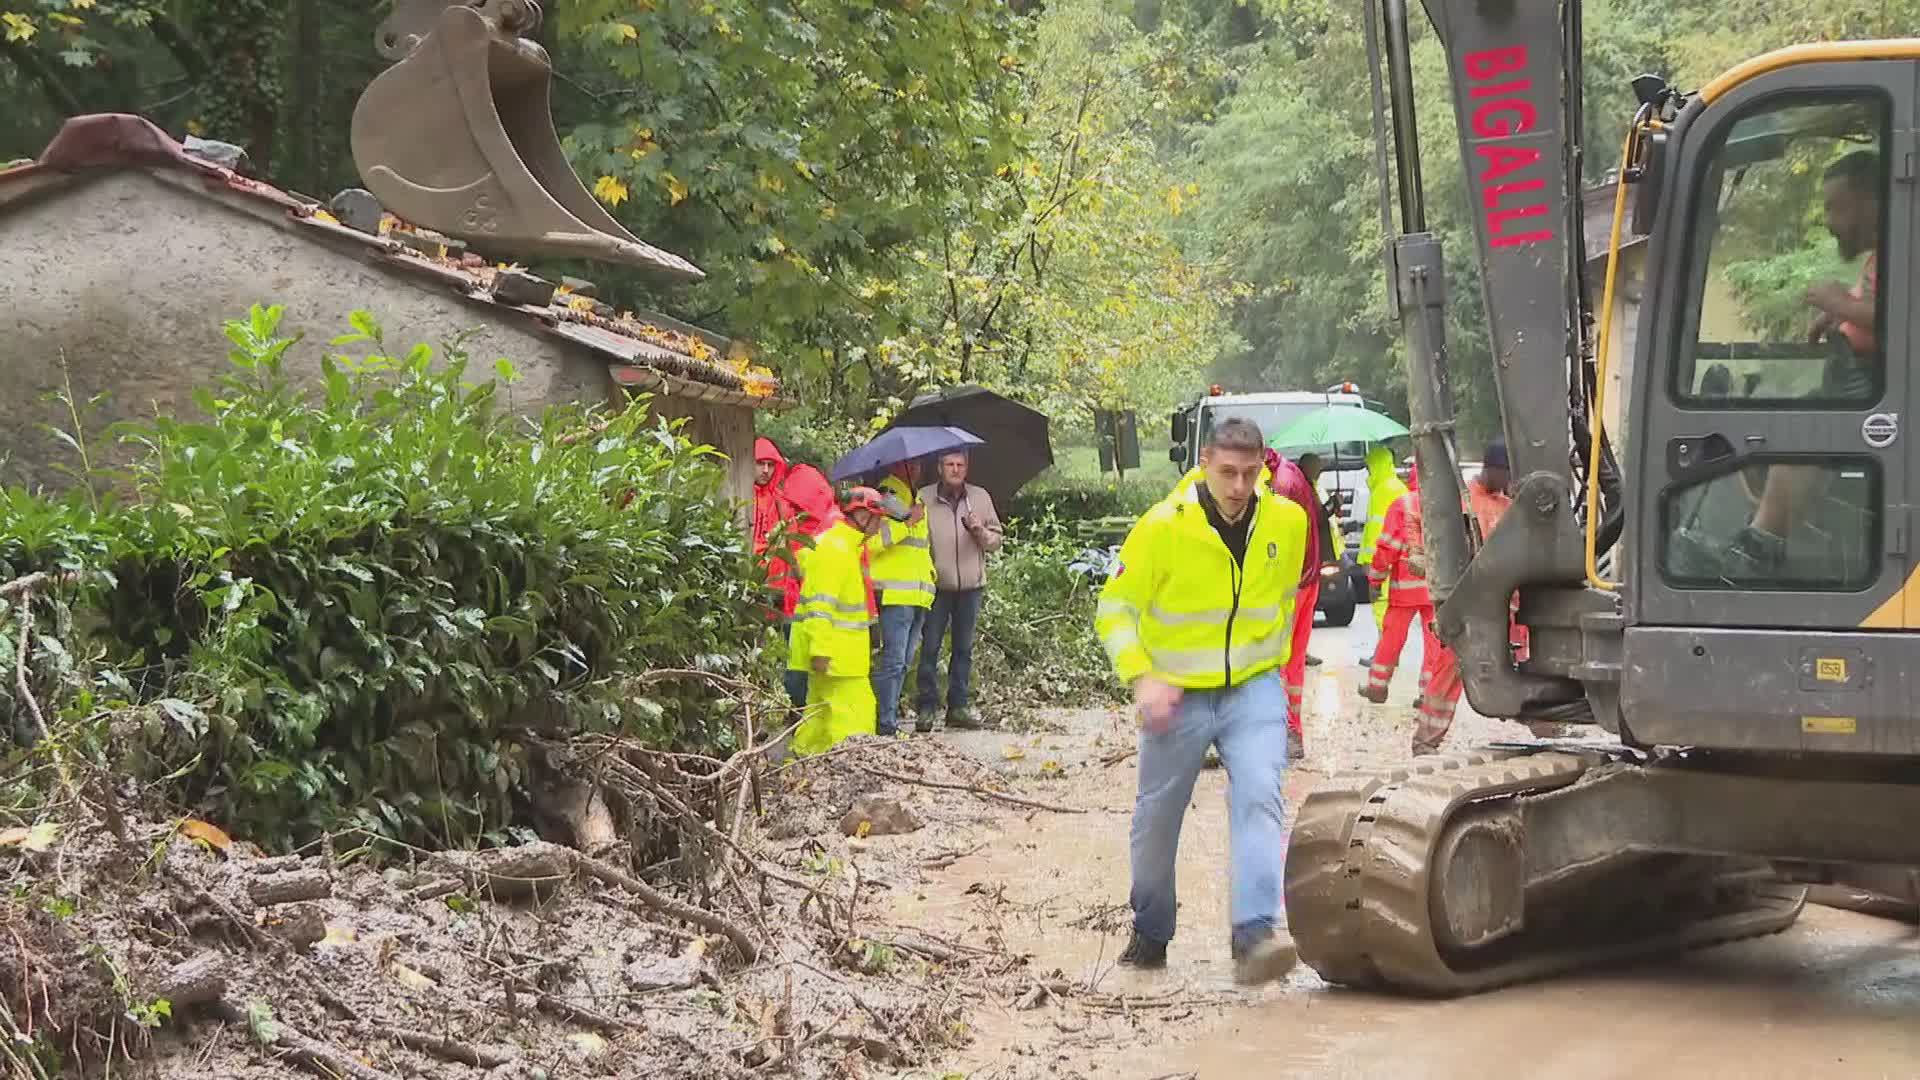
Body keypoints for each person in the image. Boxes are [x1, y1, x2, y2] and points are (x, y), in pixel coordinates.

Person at [1095, 417, 1307, 985]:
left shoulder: (1289, 522)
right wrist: (1143, 678)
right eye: (1226, 473)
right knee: (1157, 817)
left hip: (1254, 687)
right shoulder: (1162, 527)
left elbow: (1286, 599)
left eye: (1248, 473)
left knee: (1261, 793)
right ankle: (1151, 930)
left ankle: (1255, 933)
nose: (1238, 486)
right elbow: (1114, 610)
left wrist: (1274, 671)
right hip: (1176, 692)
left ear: (1263, 465)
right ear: (1205, 462)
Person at [1728, 150, 1881, 573]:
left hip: (1871, 390)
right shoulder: (1884, 256)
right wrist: (1841, 312)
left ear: (1872, 202)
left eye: (1838, 207)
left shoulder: (1907, 249)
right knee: (1783, 422)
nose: (1830, 220)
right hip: (1853, 379)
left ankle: (1761, 546)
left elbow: (1901, 320)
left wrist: (1839, 303)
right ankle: (1767, 532)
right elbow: (1877, 306)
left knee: (1798, 434)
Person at [787, 487, 899, 757]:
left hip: (838, 659)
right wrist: (821, 650)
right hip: (838, 661)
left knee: (819, 720)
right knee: (854, 721)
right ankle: (846, 771)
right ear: (861, 515)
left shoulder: (842, 545)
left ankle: (802, 769)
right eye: (878, 517)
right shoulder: (836, 549)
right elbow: (820, 606)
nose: (880, 524)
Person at [916, 450, 1004, 732]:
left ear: (967, 468)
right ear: (939, 468)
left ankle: (958, 707)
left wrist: (979, 531)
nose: (955, 469)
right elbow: (915, 541)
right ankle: (927, 707)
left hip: (971, 586)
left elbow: (995, 542)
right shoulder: (924, 498)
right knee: (930, 648)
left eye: (960, 465)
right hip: (936, 586)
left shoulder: (979, 497)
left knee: (963, 649)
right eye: (949, 465)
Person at [752, 438, 840, 708]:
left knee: (788, 653)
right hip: (756, 585)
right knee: (758, 652)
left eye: (770, 464)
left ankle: (788, 706)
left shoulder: (783, 500)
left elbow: (794, 539)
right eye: (760, 464)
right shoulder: (744, 495)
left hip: (784, 587)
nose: (766, 470)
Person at [1262, 448, 1333, 763]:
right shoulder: (1292, 477)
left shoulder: (1280, 487)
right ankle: (1291, 733)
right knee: (1292, 663)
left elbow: (1272, 545)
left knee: (1274, 663)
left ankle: (1280, 735)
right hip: (1306, 581)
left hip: (1290, 585)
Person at [867, 461, 936, 736]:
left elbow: (919, 550)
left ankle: (887, 718)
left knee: (903, 663)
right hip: (896, 593)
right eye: (910, 462)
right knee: (893, 662)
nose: (917, 467)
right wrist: (907, 523)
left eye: (919, 461)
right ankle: (885, 724)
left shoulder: (915, 497)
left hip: (918, 594)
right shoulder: (887, 495)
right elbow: (872, 543)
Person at [1359, 467, 1430, 706]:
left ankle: (1377, 686)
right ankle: (1428, 693)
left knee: (1392, 637)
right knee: (1436, 642)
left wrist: (1376, 580)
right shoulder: (1447, 504)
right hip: (1438, 589)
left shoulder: (1403, 505)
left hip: (1406, 588)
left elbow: (1387, 546)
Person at [1351, 445, 1408, 666]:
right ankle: (1387, 653)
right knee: (1390, 609)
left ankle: (1385, 655)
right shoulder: (1396, 487)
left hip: (1384, 560)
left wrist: (1370, 563)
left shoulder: (1383, 490)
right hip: (1398, 558)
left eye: (1368, 467)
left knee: (1381, 608)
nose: (1367, 472)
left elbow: (1377, 531)